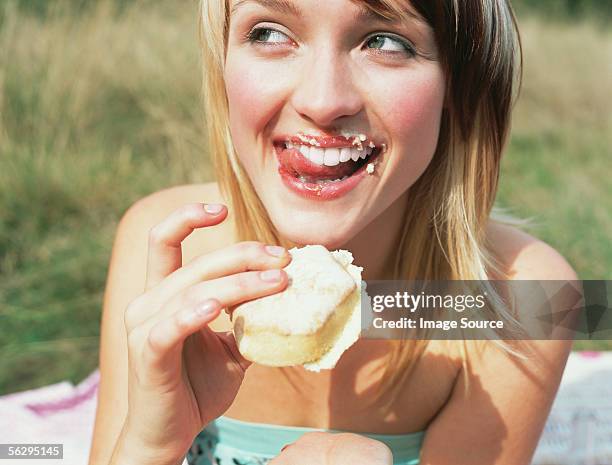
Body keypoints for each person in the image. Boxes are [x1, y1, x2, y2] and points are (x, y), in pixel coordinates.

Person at [87, 0, 579, 464]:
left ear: (462, 85)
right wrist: (150, 447)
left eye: (386, 43)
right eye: (270, 33)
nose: (322, 102)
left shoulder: (529, 301)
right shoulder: (166, 247)